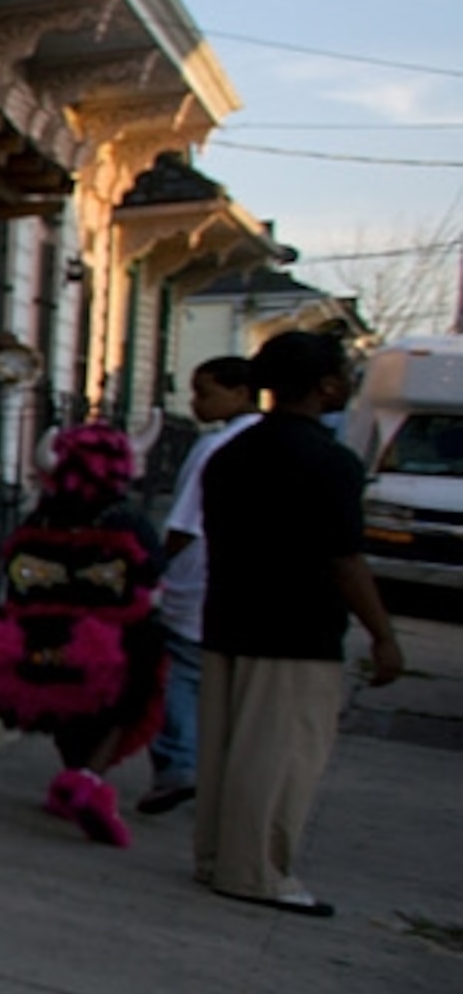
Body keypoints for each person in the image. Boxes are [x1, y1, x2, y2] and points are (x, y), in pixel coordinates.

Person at [192, 330, 405, 914]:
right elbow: (344, 558)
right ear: (325, 385)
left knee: (225, 750)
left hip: (229, 613)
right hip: (295, 628)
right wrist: (383, 634)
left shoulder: (230, 455)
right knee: (278, 757)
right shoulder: (330, 462)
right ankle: (256, 869)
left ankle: (215, 852)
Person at [0, 422, 167, 847]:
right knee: (123, 706)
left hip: (38, 637)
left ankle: (73, 779)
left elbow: (12, 572)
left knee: (64, 711)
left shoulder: (38, 518)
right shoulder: (126, 519)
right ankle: (86, 779)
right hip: (113, 640)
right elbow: (151, 575)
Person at [140, 356, 258, 813]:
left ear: (240, 392)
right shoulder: (263, 443)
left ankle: (178, 763)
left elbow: (185, 522)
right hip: (239, 581)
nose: (195, 403)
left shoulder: (216, 448)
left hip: (197, 575)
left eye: (205, 392)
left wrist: (156, 565)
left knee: (178, 675)